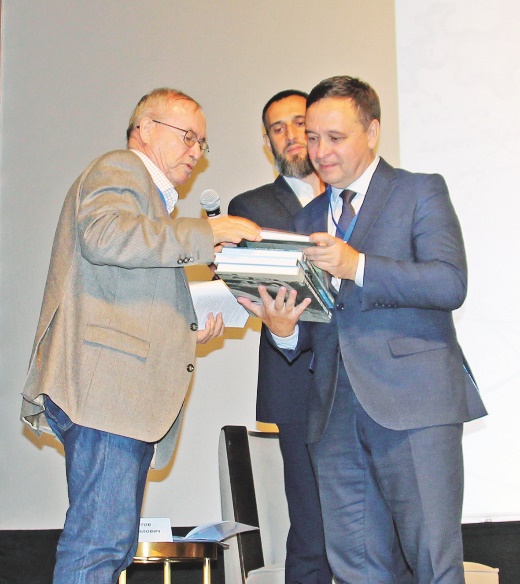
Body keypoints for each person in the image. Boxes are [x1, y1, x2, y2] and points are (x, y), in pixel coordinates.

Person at [239, 76, 487, 584]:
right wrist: (284, 330)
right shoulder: (307, 218)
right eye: (312, 138)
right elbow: (312, 325)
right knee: (356, 567)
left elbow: (449, 282)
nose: (320, 152)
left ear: (372, 132)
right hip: (333, 415)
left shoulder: (419, 190)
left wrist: (359, 265)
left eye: (335, 137)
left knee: (434, 563)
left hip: (415, 408)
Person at [20, 87, 261, 584]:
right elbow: (105, 235)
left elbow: (120, 286)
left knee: (108, 543)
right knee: (98, 544)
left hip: (113, 395)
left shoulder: (150, 203)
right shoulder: (122, 167)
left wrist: (185, 329)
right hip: (108, 393)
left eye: (202, 143)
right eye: (188, 136)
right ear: (145, 129)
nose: (196, 151)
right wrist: (206, 234)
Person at [228, 90, 332, 584]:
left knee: (376, 529)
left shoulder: (353, 197)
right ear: (268, 141)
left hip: (363, 382)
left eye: (298, 122)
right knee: (311, 530)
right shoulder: (250, 208)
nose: (291, 135)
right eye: (277, 128)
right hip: (296, 381)